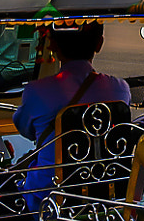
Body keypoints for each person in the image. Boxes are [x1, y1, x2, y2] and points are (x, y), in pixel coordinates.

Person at [14, 22, 130, 204]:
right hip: (107, 192)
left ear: (53, 45)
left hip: (48, 198)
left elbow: (25, 130)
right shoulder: (120, 89)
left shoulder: (36, 91)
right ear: (99, 44)